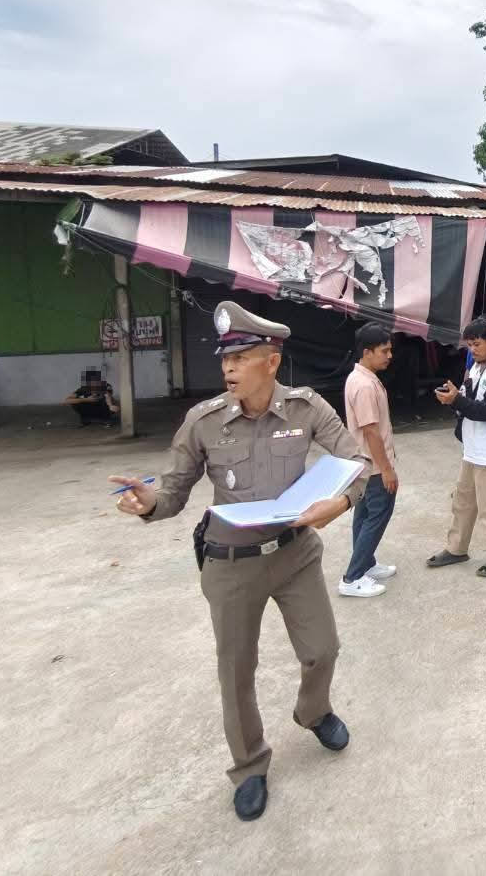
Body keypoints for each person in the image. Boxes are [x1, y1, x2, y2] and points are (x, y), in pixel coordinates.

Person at [109, 301, 370, 822]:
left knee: (323, 649)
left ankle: (313, 711)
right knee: (236, 671)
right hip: (230, 564)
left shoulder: (305, 409)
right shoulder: (203, 421)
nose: (228, 369)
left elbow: (358, 459)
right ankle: (249, 765)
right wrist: (149, 503)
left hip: (295, 554)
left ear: (271, 362)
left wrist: (340, 503)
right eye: (225, 359)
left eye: (240, 358)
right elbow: (174, 491)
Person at [428, 316, 486, 577]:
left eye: (477, 344)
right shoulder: (479, 367)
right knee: (463, 502)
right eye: (469, 345)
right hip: (473, 449)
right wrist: (453, 398)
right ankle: (456, 549)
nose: (473, 350)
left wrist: (456, 400)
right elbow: (468, 403)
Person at [339, 323, 399, 598]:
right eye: (384, 351)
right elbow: (371, 431)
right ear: (367, 352)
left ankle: (366, 564)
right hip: (373, 466)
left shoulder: (361, 378)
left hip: (363, 464)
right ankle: (352, 578)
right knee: (378, 514)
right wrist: (386, 469)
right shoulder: (363, 385)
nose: (389, 356)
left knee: (363, 515)